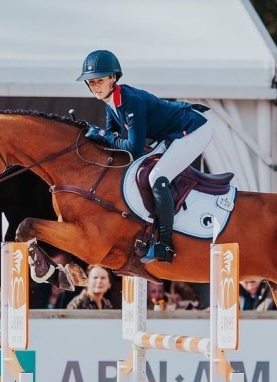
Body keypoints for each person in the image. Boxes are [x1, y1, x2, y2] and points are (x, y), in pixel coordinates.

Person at [78, 49, 213, 264]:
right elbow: (111, 137)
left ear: (113, 78)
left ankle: (165, 245)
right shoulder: (110, 103)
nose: (95, 87)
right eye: (91, 82)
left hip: (193, 128)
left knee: (156, 178)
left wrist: (103, 135)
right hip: (171, 134)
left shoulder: (130, 101)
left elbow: (133, 148)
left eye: (99, 80)